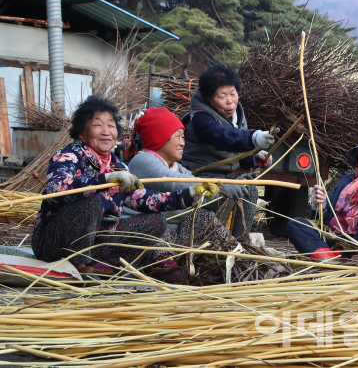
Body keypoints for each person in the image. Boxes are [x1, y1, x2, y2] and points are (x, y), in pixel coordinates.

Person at [31, 96, 220, 282]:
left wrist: (191, 193)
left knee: (155, 222)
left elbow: (145, 201)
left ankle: (102, 261)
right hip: (56, 242)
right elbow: (58, 188)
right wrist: (104, 179)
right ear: (82, 130)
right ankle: (79, 265)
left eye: (111, 126)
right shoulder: (69, 155)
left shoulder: (118, 166)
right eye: (98, 125)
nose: (106, 132)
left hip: (97, 242)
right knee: (90, 203)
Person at [180, 65, 276, 240]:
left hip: (225, 177)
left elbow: (230, 156)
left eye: (232, 93)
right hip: (201, 179)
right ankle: (216, 240)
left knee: (249, 189)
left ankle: (240, 242)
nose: (230, 101)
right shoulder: (201, 118)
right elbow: (222, 137)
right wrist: (253, 138)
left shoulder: (236, 114)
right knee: (235, 192)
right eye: (221, 96)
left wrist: (253, 159)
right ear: (209, 98)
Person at [127, 107, 235, 246]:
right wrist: (220, 184)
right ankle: (167, 262)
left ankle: (234, 247)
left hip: (173, 234)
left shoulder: (176, 166)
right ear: (160, 137)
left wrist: (231, 186)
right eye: (178, 136)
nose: (182, 143)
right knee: (156, 222)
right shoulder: (142, 160)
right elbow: (173, 182)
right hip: (146, 235)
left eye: (183, 137)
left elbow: (196, 185)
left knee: (204, 217)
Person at [286, 138, 358, 261]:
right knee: (296, 224)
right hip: (335, 239)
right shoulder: (346, 181)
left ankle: (331, 258)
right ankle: (329, 259)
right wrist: (318, 206)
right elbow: (322, 219)